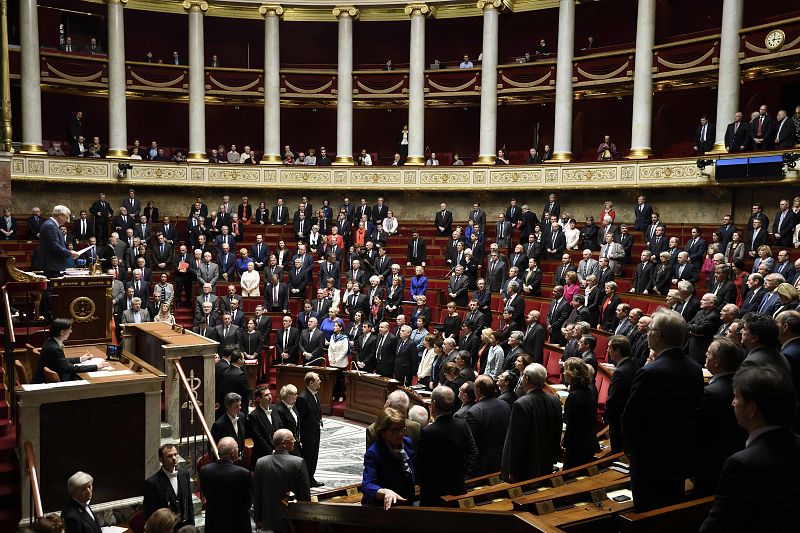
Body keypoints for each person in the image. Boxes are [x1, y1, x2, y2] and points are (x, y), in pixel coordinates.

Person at [698, 365, 800, 532]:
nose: (733, 403)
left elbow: (717, 526)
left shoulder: (741, 464)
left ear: (752, 409)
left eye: (736, 397)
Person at [622, 309, 704, 512]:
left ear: (657, 335)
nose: (647, 333)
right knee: (669, 510)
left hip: (649, 457)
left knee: (647, 509)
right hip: (679, 453)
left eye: (649, 330)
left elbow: (631, 416)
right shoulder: (694, 368)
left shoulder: (649, 372)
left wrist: (631, 450)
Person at [413, 386, 478, 506]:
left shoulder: (428, 432)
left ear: (434, 404)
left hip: (433, 493)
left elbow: (419, 463)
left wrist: (423, 484)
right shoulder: (462, 425)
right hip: (458, 488)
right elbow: (474, 452)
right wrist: (464, 475)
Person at [501, 363, 562, 482]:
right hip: (547, 459)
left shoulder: (521, 404)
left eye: (522, 375)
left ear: (526, 379)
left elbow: (516, 440)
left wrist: (512, 469)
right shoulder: (554, 400)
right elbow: (557, 431)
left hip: (527, 465)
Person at [253, 429, 311, 533]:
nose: (294, 440)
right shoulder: (298, 462)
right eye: (291, 438)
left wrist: (258, 519)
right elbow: (305, 495)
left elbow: (257, 494)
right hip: (292, 519)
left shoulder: (260, 463)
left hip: (268, 520)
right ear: (284, 443)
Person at [362, 407, 416, 509]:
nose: (400, 434)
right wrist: (385, 492)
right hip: (384, 506)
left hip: (407, 501)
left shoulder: (408, 443)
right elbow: (367, 485)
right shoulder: (374, 453)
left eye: (402, 429)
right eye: (395, 430)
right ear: (383, 432)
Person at [198, 437, 252, 533]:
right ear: (233, 453)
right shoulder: (243, 473)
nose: (238, 451)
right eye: (237, 449)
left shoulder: (205, 470)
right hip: (236, 524)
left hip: (214, 522)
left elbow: (206, 494)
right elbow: (247, 502)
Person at [34, 318, 109, 382]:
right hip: (54, 383)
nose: (71, 331)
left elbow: (61, 361)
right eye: (69, 329)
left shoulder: (50, 341)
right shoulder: (54, 348)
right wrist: (96, 366)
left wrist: (81, 359)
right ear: (62, 332)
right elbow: (69, 368)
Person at [464, 375, 511, 475]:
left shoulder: (473, 412)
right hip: (504, 459)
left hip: (484, 465)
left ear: (478, 390)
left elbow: (470, 444)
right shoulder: (505, 405)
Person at [143, 444, 194, 527]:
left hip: (184, 527)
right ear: (161, 459)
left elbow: (189, 503)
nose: (174, 458)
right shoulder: (152, 483)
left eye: (175, 454)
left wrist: (191, 527)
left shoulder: (185, 474)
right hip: (165, 529)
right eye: (169, 456)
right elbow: (150, 512)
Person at [562, 358, 600, 468]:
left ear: (571, 373)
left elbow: (572, 425)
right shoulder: (590, 389)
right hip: (589, 442)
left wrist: (564, 442)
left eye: (565, 370)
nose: (564, 373)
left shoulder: (574, 396)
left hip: (577, 446)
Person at [296, 372, 324, 487]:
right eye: (318, 380)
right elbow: (300, 419)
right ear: (311, 382)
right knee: (308, 457)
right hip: (307, 434)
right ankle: (306, 480)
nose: (320, 381)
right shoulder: (303, 397)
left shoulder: (314, 394)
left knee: (314, 456)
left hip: (315, 431)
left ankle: (311, 478)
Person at [39, 205, 80, 278]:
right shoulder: (50, 226)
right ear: (60, 215)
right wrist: (70, 253)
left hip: (53, 265)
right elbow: (54, 246)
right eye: (66, 217)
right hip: (52, 265)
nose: (67, 220)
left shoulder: (52, 225)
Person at [246, 385, 275, 470]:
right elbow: (258, 437)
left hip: (277, 452)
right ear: (259, 399)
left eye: (269, 394)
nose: (270, 396)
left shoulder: (275, 409)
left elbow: (279, 428)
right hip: (262, 455)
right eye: (266, 395)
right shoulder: (253, 416)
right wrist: (271, 451)